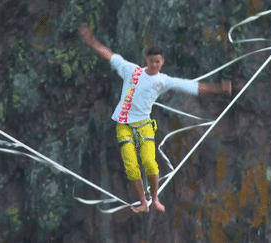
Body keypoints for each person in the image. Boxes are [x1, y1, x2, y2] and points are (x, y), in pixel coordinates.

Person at [78, 24, 231, 213]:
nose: (155, 65)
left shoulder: (163, 80)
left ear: (162, 61)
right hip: (123, 124)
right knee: (132, 167)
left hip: (144, 124)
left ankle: (155, 199)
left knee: (150, 163)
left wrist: (218, 89)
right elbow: (108, 54)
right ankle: (143, 202)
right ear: (146, 60)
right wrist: (90, 40)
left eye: (158, 62)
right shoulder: (131, 70)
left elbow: (190, 87)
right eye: (152, 61)